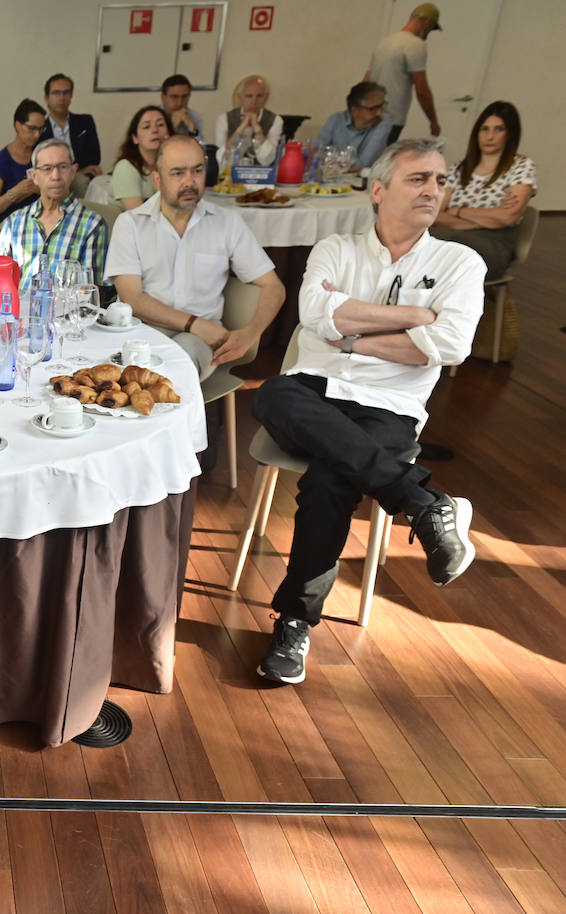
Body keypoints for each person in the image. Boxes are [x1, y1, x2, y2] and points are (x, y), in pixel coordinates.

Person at [253, 137, 483, 685]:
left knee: (333, 479)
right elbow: (314, 314)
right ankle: (421, 501)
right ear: (378, 191)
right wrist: (413, 318)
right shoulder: (335, 248)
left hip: (391, 404)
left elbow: (451, 345)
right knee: (270, 393)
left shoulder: (460, 262)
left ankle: (294, 622)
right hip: (311, 387)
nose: (433, 189)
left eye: (440, 180)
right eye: (418, 178)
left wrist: (353, 335)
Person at [107, 136, 284, 382]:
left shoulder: (226, 223)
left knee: (173, 371)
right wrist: (193, 322)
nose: (189, 182)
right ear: (157, 179)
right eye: (178, 173)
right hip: (140, 331)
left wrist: (249, 334)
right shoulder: (131, 224)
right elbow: (132, 299)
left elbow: (274, 287)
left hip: (199, 341)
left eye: (197, 171)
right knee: (114, 375)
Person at [431, 101, 535, 280]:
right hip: (452, 237)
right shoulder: (459, 169)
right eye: (484, 129)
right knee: (421, 237)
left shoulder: (521, 167)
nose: (490, 136)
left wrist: (457, 211)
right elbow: (434, 215)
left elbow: (507, 217)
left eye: (499, 129)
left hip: (494, 244)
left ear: (510, 133)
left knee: (435, 242)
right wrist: (482, 219)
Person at [0, 139, 107, 292]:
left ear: (73, 171)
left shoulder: (92, 225)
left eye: (62, 167)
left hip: (67, 313)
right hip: (17, 313)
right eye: (47, 168)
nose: (55, 176)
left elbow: (90, 292)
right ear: (33, 176)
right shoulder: (14, 222)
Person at [365, 3, 443, 140]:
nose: (428, 34)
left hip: (369, 116)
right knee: (383, 160)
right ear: (427, 22)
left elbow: (366, 81)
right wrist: (433, 121)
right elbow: (422, 90)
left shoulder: (385, 42)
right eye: (431, 29)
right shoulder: (415, 45)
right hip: (391, 119)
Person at [86, 105, 169, 211]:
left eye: (160, 125)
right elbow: (138, 216)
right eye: (146, 127)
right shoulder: (125, 168)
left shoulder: (174, 166)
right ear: (135, 138)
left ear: (169, 133)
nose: (155, 130)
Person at [0, 98, 46, 222]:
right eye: (32, 128)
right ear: (18, 125)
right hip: (14, 221)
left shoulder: (42, 154)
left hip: (43, 217)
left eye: (41, 129)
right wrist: (15, 192)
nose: (37, 135)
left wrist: (37, 189)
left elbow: (61, 192)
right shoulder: (3, 160)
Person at [316, 82, 395, 170]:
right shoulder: (335, 119)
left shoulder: (383, 125)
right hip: (330, 178)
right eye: (373, 109)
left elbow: (363, 164)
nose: (380, 113)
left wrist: (331, 162)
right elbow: (317, 153)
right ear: (355, 110)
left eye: (382, 106)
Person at [39, 74, 101, 180]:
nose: (62, 98)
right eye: (56, 93)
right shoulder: (39, 128)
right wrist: (74, 170)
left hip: (80, 177)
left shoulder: (85, 122)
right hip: (51, 179)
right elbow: (40, 163)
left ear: (71, 96)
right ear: (47, 98)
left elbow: (94, 157)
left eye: (66, 92)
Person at [214, 75, 283, 168]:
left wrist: (257, 129)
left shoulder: (276, 120)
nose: (254, 101)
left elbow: (268, 159)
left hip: (262, 177)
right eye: (249, 96)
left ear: (266, 98)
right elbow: (221, 159)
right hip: (229, 176)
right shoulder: (224, 119)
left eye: (259, 96)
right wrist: (240, 129)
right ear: (240, 97)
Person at [160, 74, 204, 140]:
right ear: (163, 98)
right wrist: (172, 128)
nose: (180, 103)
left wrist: (192, 130)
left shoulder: (194, 116)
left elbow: (202, 148)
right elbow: (154, 149)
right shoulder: (154, 116)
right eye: (174, 97)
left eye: (184, 97)